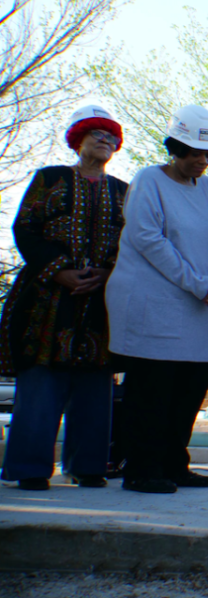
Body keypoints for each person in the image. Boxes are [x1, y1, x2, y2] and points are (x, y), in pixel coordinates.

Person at [105, 104, 208, 494]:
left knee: (191, 386)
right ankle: (142, 468)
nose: (202, 161)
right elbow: (147, 239)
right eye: (194, 152)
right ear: (175, 147)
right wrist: (197, 283)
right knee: (152, 390)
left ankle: (175, 463)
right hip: (156, 303)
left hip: (201, 307)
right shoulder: (148, 181)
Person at [0, 105, 128, 491]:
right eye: (97, 135)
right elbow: (26, 226)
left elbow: (132, 241)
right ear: (78, 140)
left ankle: (88, 466)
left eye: (111, 138)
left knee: (95, 385)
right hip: (47, 298)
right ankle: (29, 467)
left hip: (101, 299)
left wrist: (107, 272)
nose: (105, 142)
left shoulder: (124, 191)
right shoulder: (50, 178)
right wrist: (59, 270)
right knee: (41, 382)